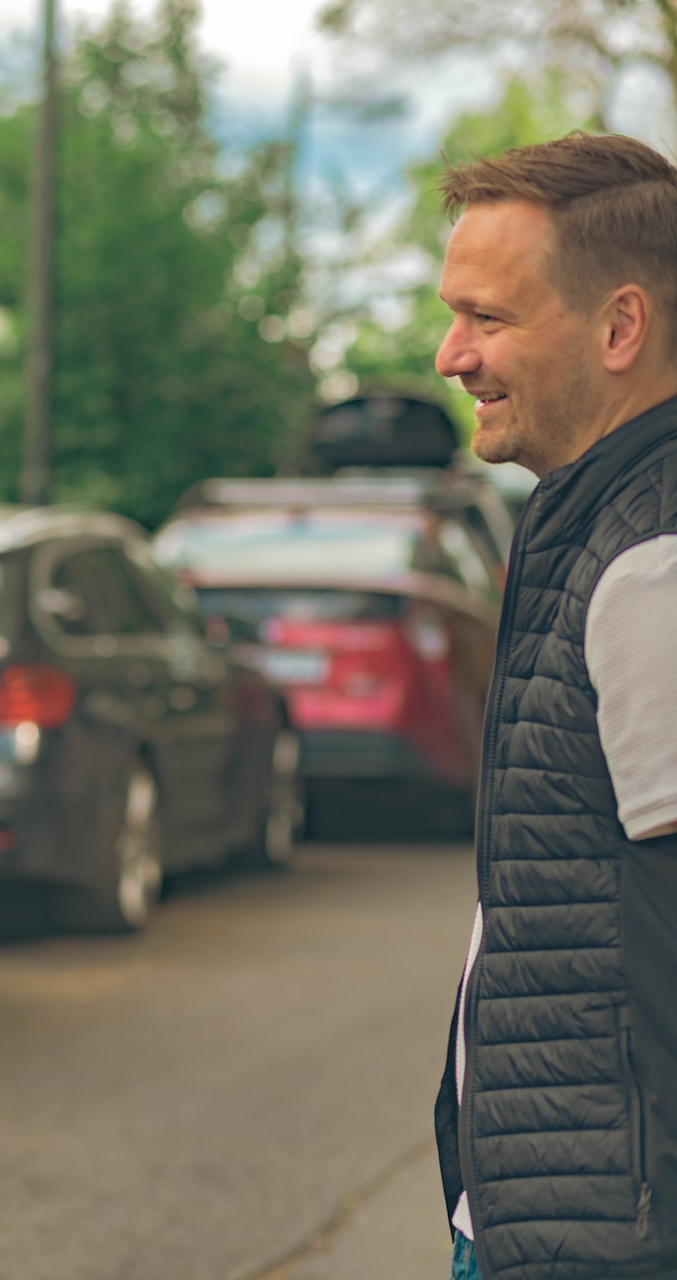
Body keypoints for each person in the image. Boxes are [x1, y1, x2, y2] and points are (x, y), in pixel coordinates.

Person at [431, 133, 677, 1280]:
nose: (450, 354)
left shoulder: (651, 564)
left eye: (487, 317)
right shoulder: (591, 526)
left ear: (620, 327)